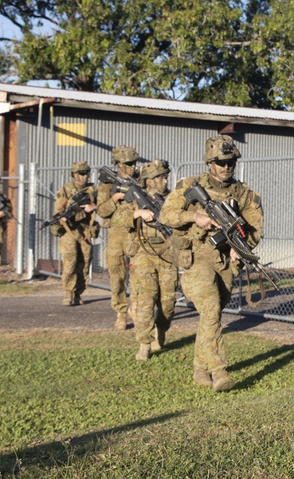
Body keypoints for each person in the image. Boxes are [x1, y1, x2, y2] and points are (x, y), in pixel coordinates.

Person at [159, 135, 263, 392]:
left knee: (211, 314)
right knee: (211, 305)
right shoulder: (190, 185)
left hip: (226, 260)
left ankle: (199, 367)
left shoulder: (245, 194)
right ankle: (219, 371)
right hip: (195, 256)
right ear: (209, 162)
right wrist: (195, 216)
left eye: (231, 162)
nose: (226, 167)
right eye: (220, 162)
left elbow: (255, 230)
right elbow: (166, 214)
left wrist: (243, 248)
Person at [123, 160, 179, 361]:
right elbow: (114, 219)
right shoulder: (136, 198)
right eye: (159, 177)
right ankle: (144, 343)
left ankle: (161, 329)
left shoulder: (173, 199)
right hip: (143, 253)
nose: (164, 180)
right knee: (146, 299)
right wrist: (136, 213)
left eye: (165, 176)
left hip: (167, 254)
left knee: (168, 301)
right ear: (148, 181)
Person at [96, 146, 140, 330]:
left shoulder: (139, 181)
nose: (132, 167)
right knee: (117, 276)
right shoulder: (107, 185)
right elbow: (101, 210)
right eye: (129, 164)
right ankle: (121, 313)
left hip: (135, 233)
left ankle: (136, 309)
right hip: (115, 235)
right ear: (119, 164)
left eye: (134, 163)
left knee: (139, 275)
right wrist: (115, 199)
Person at [53, 161, 99, 306]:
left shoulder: (93, 190)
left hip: (86, 230)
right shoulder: (65, 190)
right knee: (70, 263)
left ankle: (78, 292)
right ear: (74, 175)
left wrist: (93, 207)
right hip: (70, 230)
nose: (85, 176)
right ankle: (68, 292)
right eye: (81, 173)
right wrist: (63, 217)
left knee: (84, 263)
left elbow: (105, 206)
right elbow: (59, 211)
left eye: (87, 173)